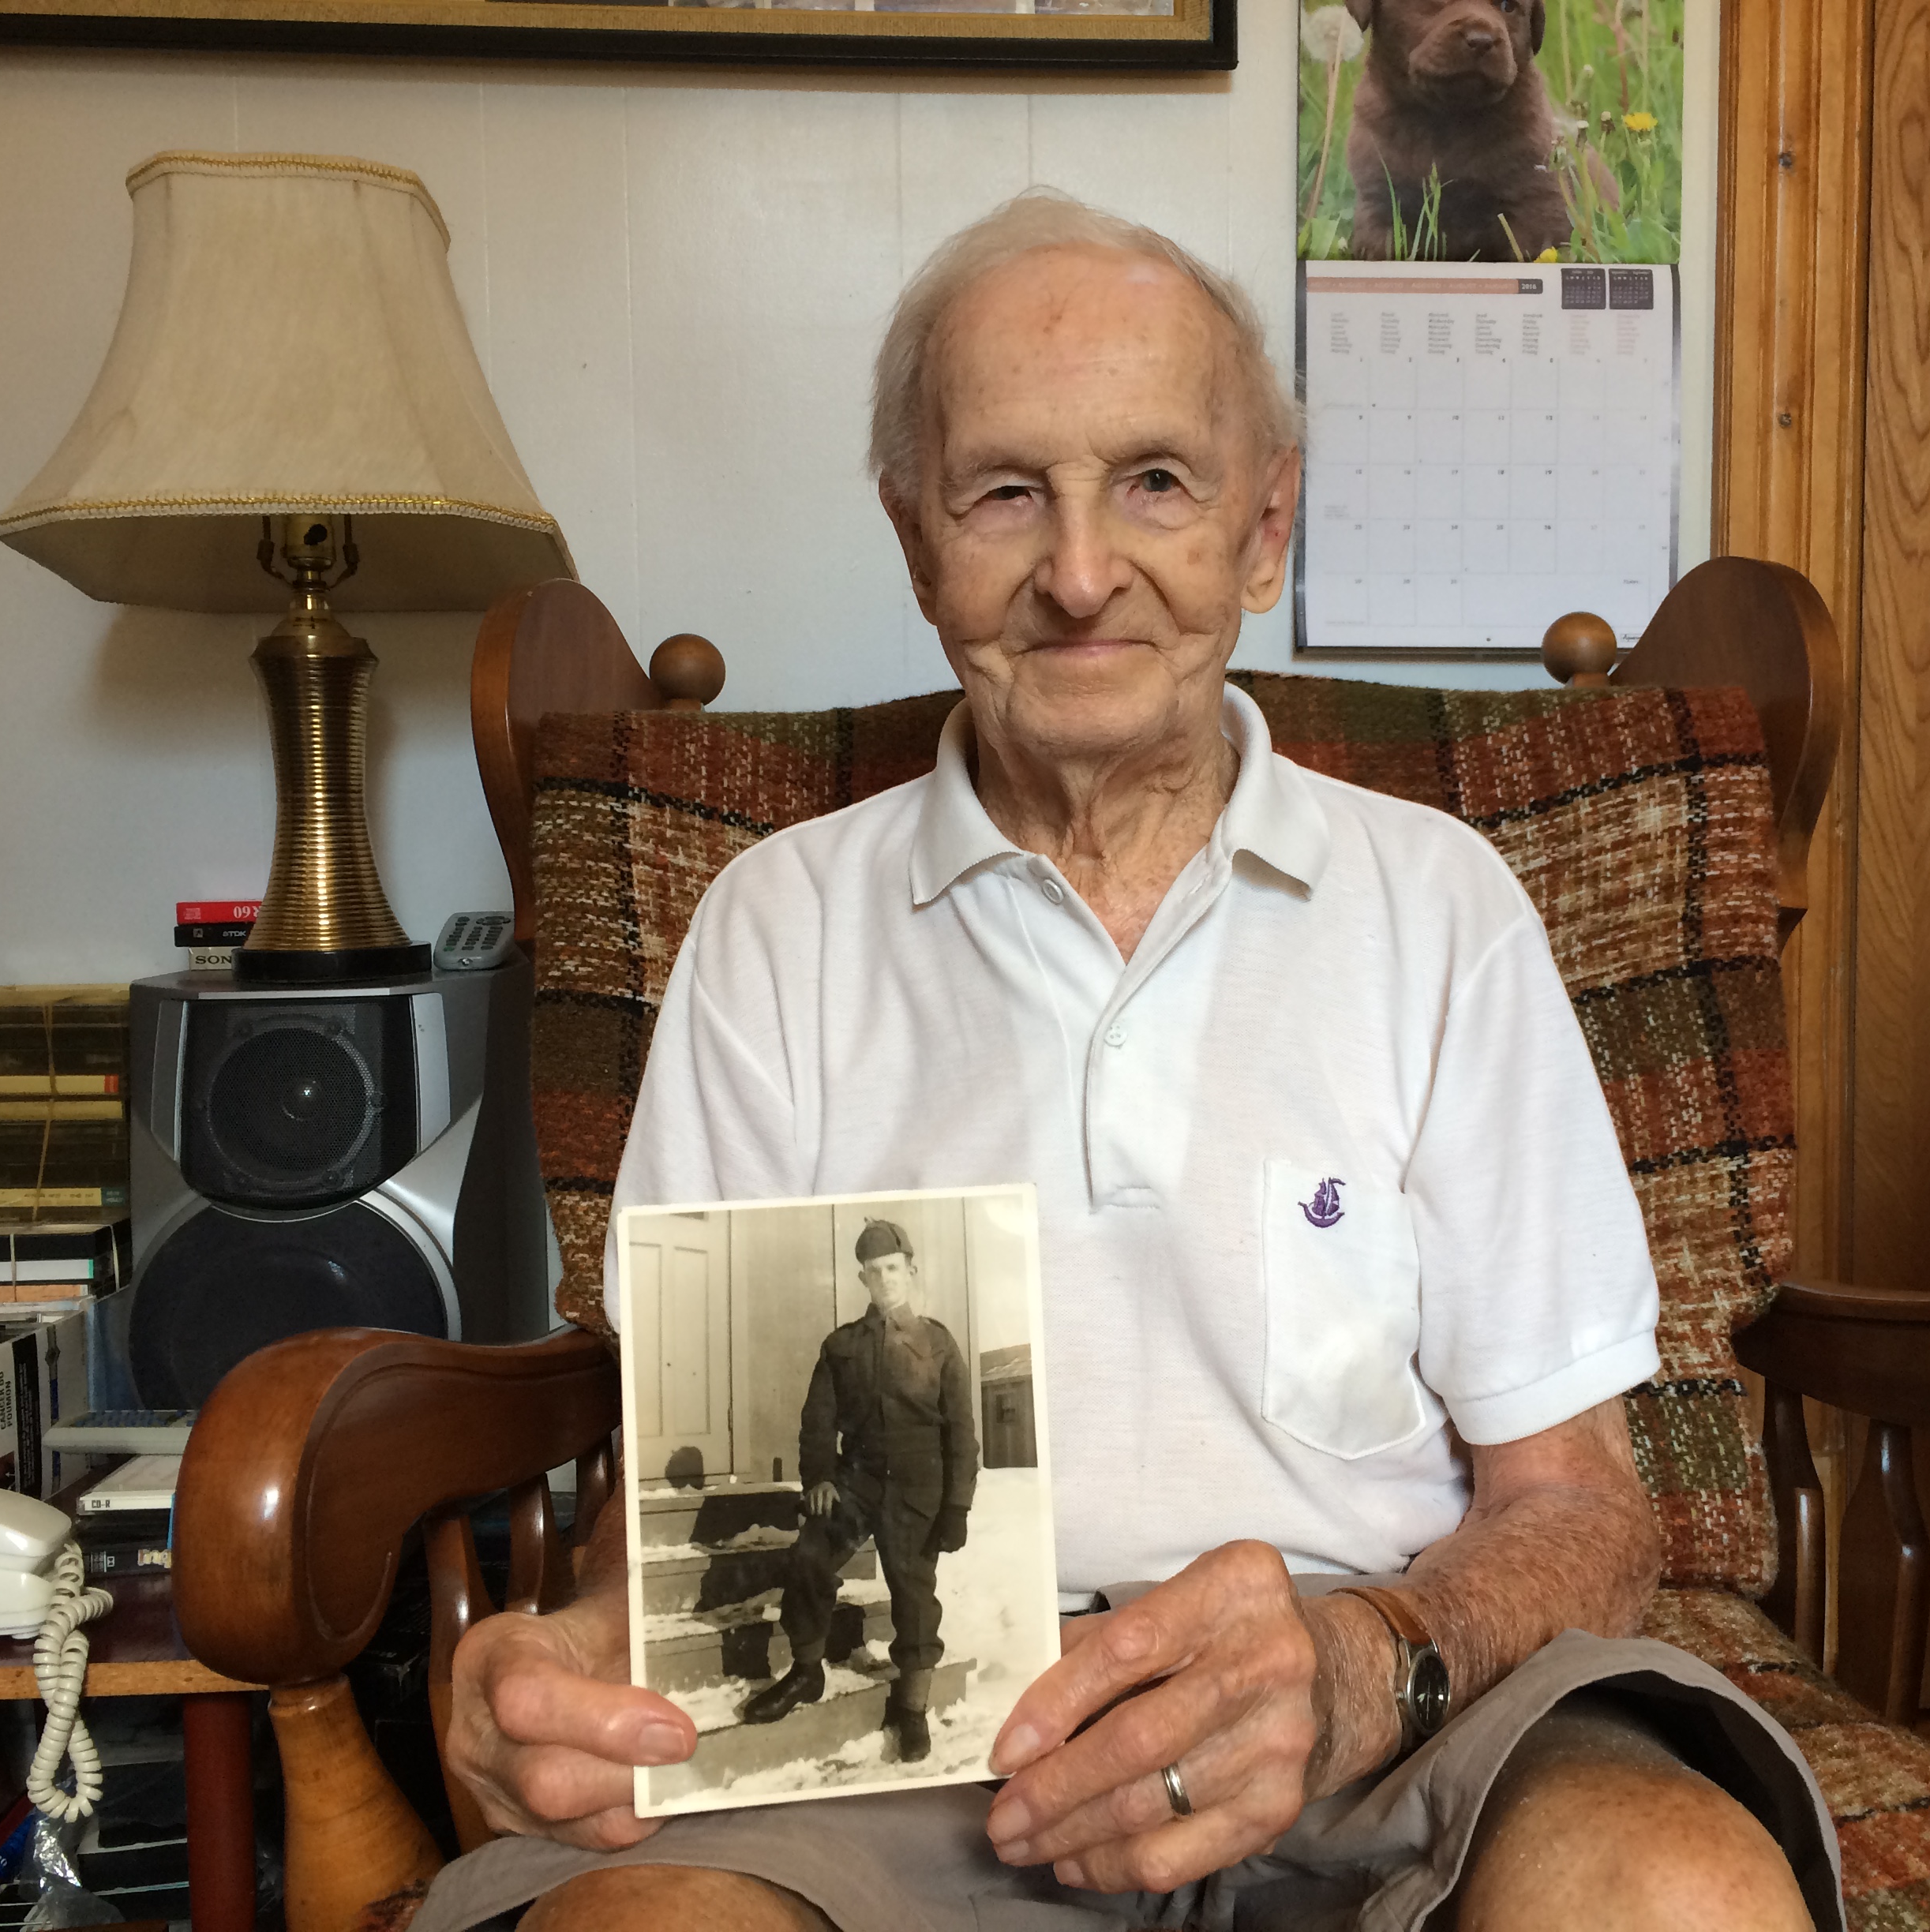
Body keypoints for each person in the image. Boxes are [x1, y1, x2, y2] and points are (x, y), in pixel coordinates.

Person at [425, 189, 1842, 1932]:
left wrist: (1353, 1664)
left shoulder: (1442, 907)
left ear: (1266, 528)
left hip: (1394, 1703)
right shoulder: (772, 928)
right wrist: (574, 1667)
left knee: (1677, 1896)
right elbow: (700, 1515)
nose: (1082, 572)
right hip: (911, 1741)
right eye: (1006, 490)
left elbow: (1583, 1511)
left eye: (1156, 482)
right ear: (912, 536)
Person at [739, 1218, 980, 1762]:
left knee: (914, 1594)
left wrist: (957, 1506)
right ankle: (806, 1672)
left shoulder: (938, 1343)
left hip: (919, 1488)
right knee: (809, 1554)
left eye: (893, 1268)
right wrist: (820, 1478)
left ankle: (912, 1707)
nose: (885, 1279)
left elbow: (962, 1432)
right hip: (858, 1482)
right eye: (874, 1272)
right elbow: (817, 1422)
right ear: (862, 1278)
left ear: (910, 1270)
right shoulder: (841, 1346)